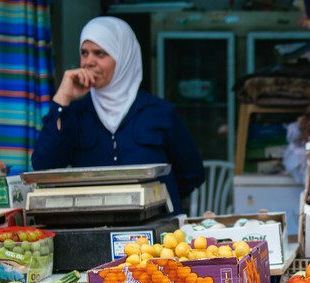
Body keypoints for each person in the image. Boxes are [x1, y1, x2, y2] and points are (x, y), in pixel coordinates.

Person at [32, 17, 204, 214]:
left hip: (156, 235)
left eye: (100, 53)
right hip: (93, 229)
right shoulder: (76, 113)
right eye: (84, 53)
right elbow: (43, 165)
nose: (89, 62)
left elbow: (192, 173)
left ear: (123, 57)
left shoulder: (158, 112)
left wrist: (159, 201)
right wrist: (62, 99)